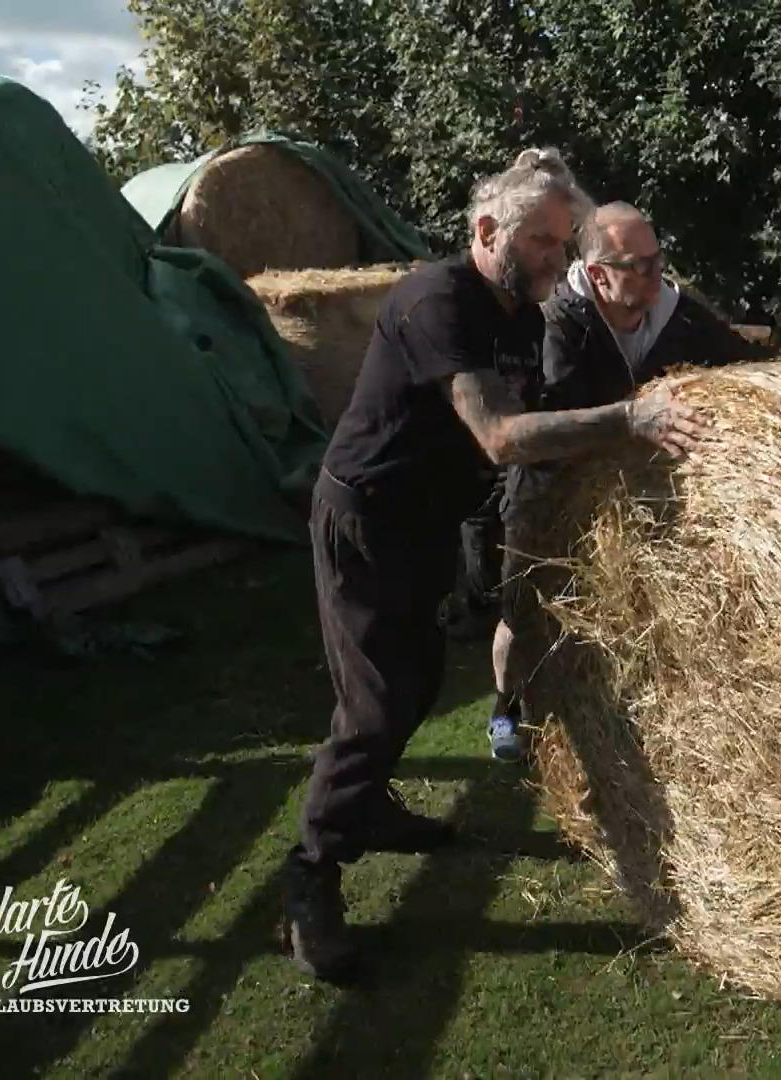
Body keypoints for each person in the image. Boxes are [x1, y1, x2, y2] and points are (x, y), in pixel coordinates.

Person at [282, 149, 708, 983]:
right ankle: (309, 877)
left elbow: (542, 417)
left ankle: (367, 808)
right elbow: (501, 436)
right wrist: (630, 418)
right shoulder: (436, 300)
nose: (563, 259)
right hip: (366, 519)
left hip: (424, 521)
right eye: (549, 243)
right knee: (371, 708)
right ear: (488, 232)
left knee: (413, 681)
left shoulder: (518, 309)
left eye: (564, 242)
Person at [484, 201, 779, 762]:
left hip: (637, 495)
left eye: (656, 260)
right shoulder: (557, 321)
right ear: (597, 274)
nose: (653, 275)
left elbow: (743, 366)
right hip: (547, 486)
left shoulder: (678, 313)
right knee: (524, 608)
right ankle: (507, 707)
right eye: (636, 265)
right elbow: (553, 414)